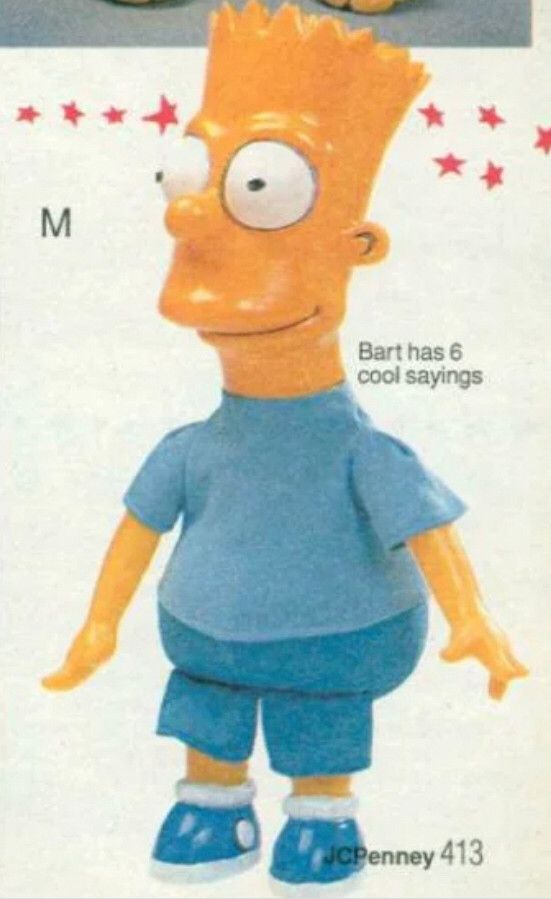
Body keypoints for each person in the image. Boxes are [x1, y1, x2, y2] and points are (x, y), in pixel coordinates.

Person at [43, 1, 527, 888]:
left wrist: (474, 621)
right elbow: (137, 529)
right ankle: (211, 804)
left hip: (342, 639)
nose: (190, 224)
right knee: (208, 714)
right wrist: (98, 622)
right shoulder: (192, 447)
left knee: (320, 725)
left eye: (259, 190)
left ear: (357, 248)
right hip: (204, 638)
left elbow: (426, 529)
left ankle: (322, 815)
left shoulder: (362, 451)